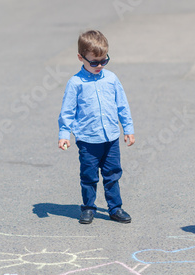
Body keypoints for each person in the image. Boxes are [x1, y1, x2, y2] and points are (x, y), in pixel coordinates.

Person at [58, 30, 135, 224]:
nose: (99, 66)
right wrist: (64, 134)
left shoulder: (111, 79)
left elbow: (122, 105)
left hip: (110, 138)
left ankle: (115, 208)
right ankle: (88, 208)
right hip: (87, 140)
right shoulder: (76, 83)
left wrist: (128, 129)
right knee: (89, 176)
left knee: (112, 174)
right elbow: (67, 111)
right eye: (94, 62)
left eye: (104, 61)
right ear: (80, 58)